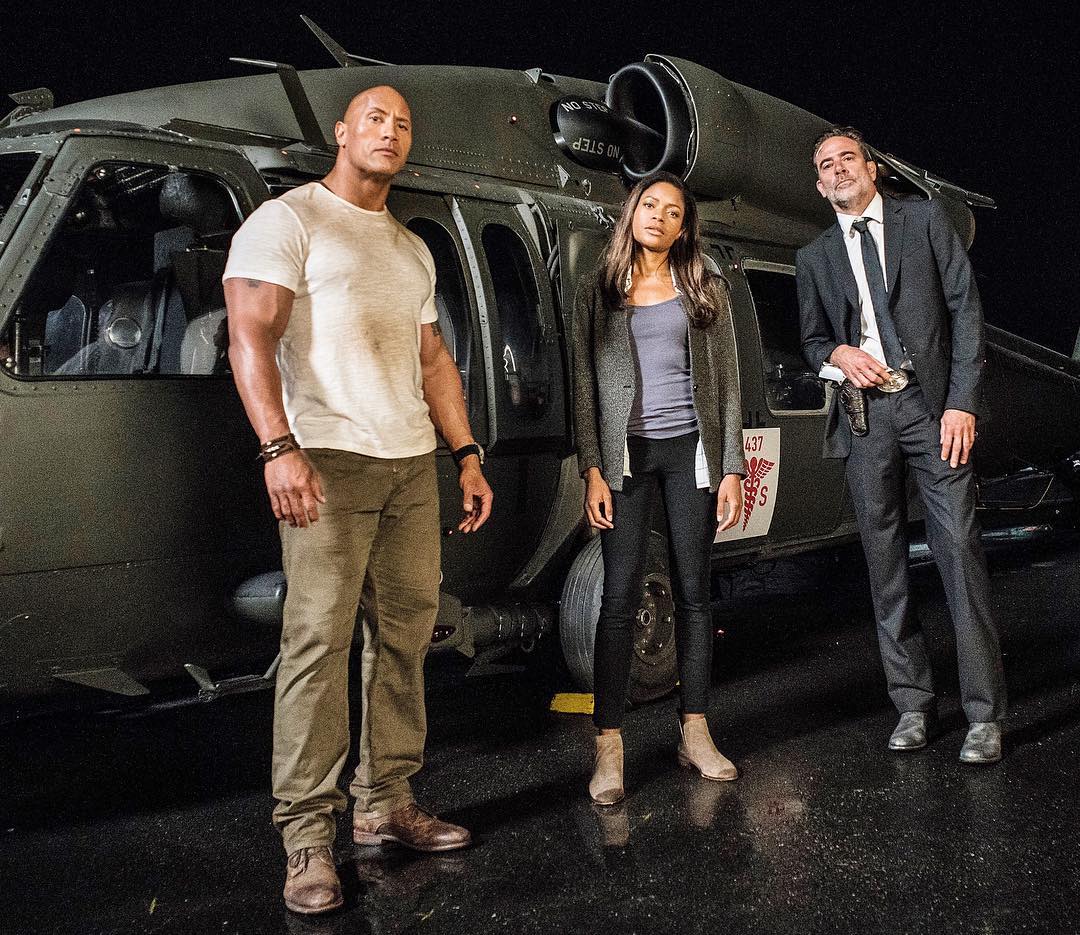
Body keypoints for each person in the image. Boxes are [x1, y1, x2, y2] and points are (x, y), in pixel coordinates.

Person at [223, 86, 493, 915]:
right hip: (327, 459)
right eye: (375, 117)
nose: (390, 130)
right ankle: (308, 835)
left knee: (406, 636)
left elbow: (433, 358)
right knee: (318, 642)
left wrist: (467, 453)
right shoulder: (289, 220)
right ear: (341, 132)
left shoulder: (410, 248)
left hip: (410, 461)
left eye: (403, 123)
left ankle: (386, 801)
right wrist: (278, 447)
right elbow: (250, 332)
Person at [796, 127, 1005, 764]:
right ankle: (913, 704)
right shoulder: (814, 257)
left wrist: (962, 402)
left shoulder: (925, 220)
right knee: (885, 567)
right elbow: (811, 342)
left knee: (959, 553)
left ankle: (984, 716)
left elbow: (965, 308)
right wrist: (839, 353)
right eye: (825, 166)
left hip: (932, 409)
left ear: (872, 169)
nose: (837, 171)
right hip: (865, 420)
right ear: (818, 185)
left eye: (847, 159)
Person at [572, 171, 746, 805]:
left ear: (683, 226)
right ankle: (609, 746)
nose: (660, 217)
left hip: (689, 452)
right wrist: (592, 467)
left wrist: (731, 468)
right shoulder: (599, 290)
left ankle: (695, 733)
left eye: (674, 212)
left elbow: (728, 383)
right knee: (618, 596)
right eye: (651, 205)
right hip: (625, 457)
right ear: (633, 212)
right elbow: (584, 384)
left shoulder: (705, 288)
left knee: (695, 594)